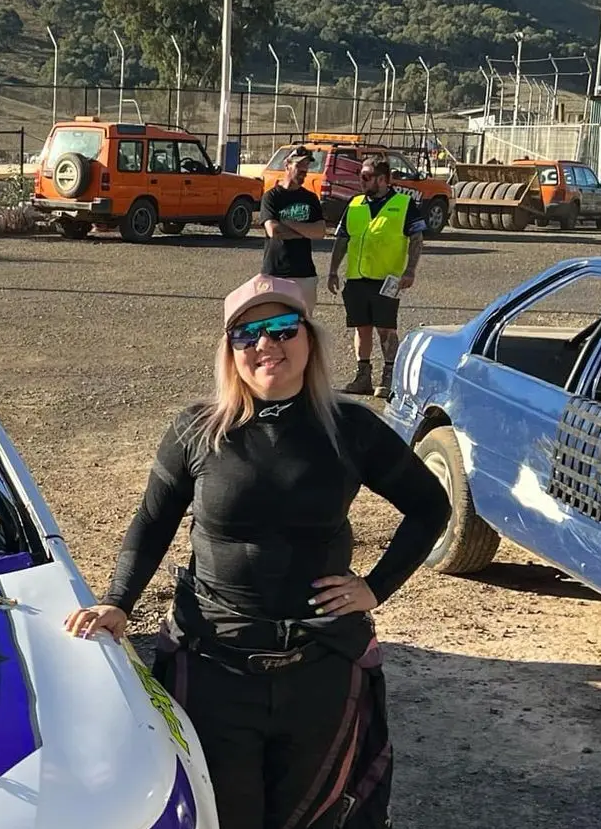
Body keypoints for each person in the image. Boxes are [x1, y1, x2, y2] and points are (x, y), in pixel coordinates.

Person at [64, 273, 450, 829]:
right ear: (230, 351)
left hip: (319, 664)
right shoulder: (197, 430)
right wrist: (118, 602)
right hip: (214, 663)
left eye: (281, 328)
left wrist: (375, 586)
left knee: (314, 814)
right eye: (246, 335)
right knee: (221, 815)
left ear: (309, 339)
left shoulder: (349, 428)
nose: (265, 345)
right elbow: (152, 521)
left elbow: (430, 505)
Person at [326, 156, 426, 398]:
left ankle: (389, 376)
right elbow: (342, 239)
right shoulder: (355, 204)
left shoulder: (404, 204)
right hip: (357, 278)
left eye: (366, 177)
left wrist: (410, 269)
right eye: (361, 176)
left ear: (382, 179)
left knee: (386, 328)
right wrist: (332, 270)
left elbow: (416, 239)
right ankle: (363, 376)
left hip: (387, 279)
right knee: (362, 328)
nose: (361, 181)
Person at [260, 145, 327, 315]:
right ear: (287, 165)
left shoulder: (310, 198)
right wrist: (305, 231)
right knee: (274, 322)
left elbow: (320, 231)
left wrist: (287, 222)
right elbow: (273, 231)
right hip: (275, 272)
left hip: (304, 273)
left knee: (304, 324)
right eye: (299, 166)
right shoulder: (272, 197)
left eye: (306, 166)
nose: (304, 170)